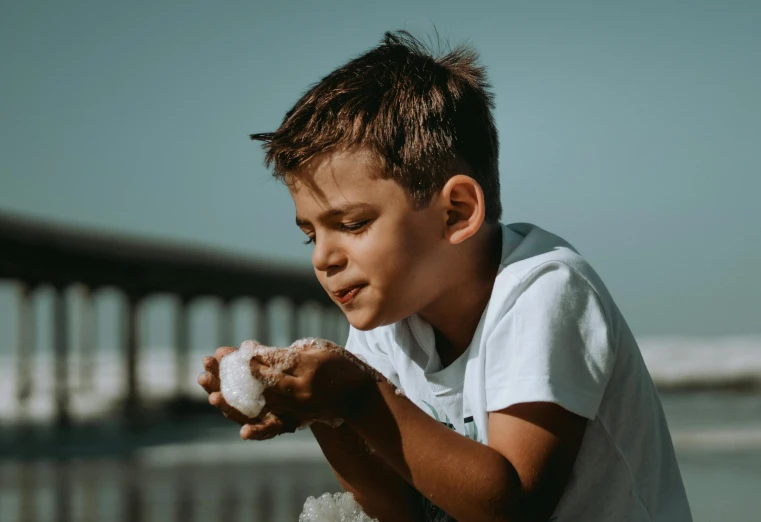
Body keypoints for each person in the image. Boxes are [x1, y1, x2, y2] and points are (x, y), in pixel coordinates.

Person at [198, 31, 692, 521]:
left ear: (455, 213)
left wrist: (358, 396)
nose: (323, 258)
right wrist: (326, 411)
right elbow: (402, 509)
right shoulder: (389, 319)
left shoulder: (544, 290)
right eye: (311, 235)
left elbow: (513, 506)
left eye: (352, 224)